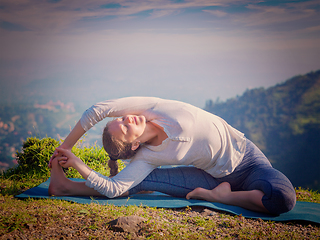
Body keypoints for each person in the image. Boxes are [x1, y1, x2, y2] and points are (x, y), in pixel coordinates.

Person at [48, 96, 296, 215]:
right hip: (210, 177)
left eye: (121, 119)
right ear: (134, 146)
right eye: (124, 128)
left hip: (249, 162)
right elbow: (114, 188)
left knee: (283, 199)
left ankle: (223, 197)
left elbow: (98, 110)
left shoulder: (154, 109)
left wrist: (66, 148)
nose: (127, 118)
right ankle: (65, 187)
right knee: (137, 182)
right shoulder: (146, 157)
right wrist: (78, 165)